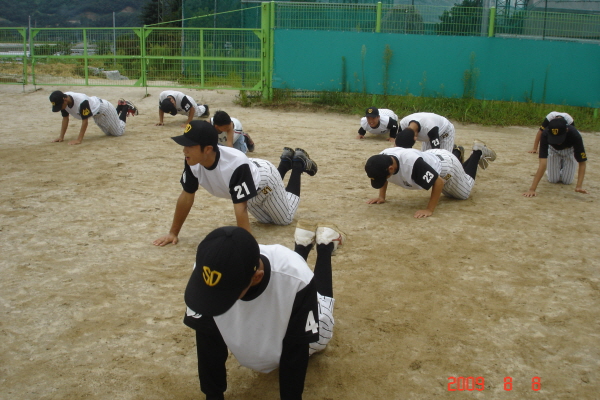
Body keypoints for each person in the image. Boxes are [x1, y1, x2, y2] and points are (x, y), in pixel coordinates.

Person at [183, 223, 344, 400]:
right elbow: (208, 340)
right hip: (285, 282)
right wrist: (213, 395)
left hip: (297, 294)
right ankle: (302, 246)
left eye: (227, 293)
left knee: (323, 319)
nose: (214, 298)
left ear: (256, 277)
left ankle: (324, 246)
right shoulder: (209, 265)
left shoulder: (297, 279)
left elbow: (295, 351)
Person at [153, 121, 318, 245]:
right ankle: (285, 163)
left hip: (266, 183)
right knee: (266, 221)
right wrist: (173, 233)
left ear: (208, 149)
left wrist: (246, 247)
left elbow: (240, 209)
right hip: (250, 187)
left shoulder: (234, 165)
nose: (184, 150)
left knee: (284, 219)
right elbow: (187, 196)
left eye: (189, 145)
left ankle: (297, 165)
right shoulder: (192, 161)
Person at [364, 140, 496, 218]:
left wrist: (429, 209)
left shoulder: (413, 165)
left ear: (391, 169)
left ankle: (477, 152)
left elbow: (438, 182)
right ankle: (456, 152)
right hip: (431, 157)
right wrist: (382, 196)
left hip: (446, 167)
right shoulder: (383, 158)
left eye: (383, 177)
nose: (383, 180)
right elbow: (383, 175)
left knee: (464, 192)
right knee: (455, 184)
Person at [523, 118, 588, 197]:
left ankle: (561, 166)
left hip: (569, 151)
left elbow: (582, 163)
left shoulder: (575, 134)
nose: (558, 142)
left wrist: (579, 186)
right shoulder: (545, 134)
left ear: (566, 130)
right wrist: (532, 189)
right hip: (554, 151)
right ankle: (553, 169)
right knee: (553, 180)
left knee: (567, 181)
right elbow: (542, 163)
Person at [49, 90, 137, 145]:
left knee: (118, 132)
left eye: (60, 106)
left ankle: (125, 107)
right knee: (109, 133)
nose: (60, 108)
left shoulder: (81, 101)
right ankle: (119, 107)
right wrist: (61, 137)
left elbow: (85, 121)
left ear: (65, 99)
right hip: (96, 114)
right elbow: (65, 118)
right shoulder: (64, 102)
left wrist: (79, 140)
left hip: (104, 109)